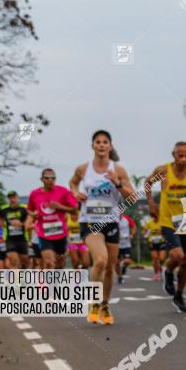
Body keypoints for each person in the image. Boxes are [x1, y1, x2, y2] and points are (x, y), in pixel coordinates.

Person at [70, 130, 135, 325]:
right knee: (100, 260)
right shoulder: (83, 168)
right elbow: (73, 182)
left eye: (105, 142)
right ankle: (94, 302)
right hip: (89, 221)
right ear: (92, 146)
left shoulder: (119, 170)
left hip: (111, 222)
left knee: (110, 268)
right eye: (97, 142)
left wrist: (117, 183)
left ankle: (105, 304)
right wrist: (75, 192)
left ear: (110, 146)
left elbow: (131, 197)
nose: (101, 145)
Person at [145, 141, 186, 313]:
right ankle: (169, 271)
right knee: (178, 255)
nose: (183, 158)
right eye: (180, 155)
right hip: (168, 221)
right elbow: (147, 183)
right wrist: (151, 204)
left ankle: (179, 294)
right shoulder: (163, 171)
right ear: (173, 154)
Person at [26, 168, 79, 269]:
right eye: (47, 178)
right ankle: (51, 285)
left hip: (60, 234)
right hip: (44, 234)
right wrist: (33, 214)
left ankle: (56, 283)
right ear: (42, 179)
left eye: (53, 178)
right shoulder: (35, 194)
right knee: (49, 262)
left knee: (60, 264)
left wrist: (60, 207)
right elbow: (29, 209)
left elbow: (75, 208)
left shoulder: (63, 191)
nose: (50, 180)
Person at [0, 191, 29, 268]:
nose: (12, 199)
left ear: (18, 198)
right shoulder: (3, 209)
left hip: (23, 238)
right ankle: (17, 279)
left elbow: (30, 222)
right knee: (14, 260)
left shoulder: (25, 208)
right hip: (10, 239)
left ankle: (23, 276)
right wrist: (1, 224)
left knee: (24, 261)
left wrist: (21, 224)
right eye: (10, 198)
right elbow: (0, 219)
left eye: (14, 197)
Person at [144, 212, 166, 281]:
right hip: (153, 243)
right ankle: (156, 274)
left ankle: (160, 267)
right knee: (155, 259)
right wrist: (147, 233)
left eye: (157, 216)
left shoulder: (162, 222)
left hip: (161, 242)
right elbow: (144, 232)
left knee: (162, 258)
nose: (156, 218)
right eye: (154, 217)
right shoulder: (149, 223)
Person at [115, 214, 136, 284]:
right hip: (115, 244)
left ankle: (123, 267)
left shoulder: (127, 219)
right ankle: (120, 277)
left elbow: (134, 227)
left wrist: (132, 234)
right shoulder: (112, 219)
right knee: (116, 263)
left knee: (127, 261)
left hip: (126, 244)